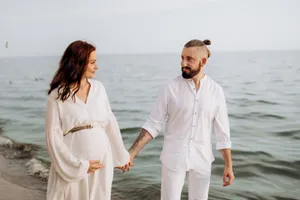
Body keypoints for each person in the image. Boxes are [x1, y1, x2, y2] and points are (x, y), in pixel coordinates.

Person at [123, 39, 235, 200]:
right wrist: (132, 153)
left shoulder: (216, 91)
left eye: (189, 59)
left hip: (202, 160)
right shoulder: (169, 87)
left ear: (203, 62)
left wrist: (229, 166)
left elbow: (223, 133)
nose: (183, 63)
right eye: (182, 58)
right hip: (173, 158)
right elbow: (153, 124)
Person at [45, 40, 130, 200]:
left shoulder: (99, 88)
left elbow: (110, 123)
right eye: (92, 62)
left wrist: (121, 156)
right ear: (78, 63)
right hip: (74, 164)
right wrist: (78, 166)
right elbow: (53, 137)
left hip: (102, 163)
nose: (96, 67)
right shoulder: (56, 96)